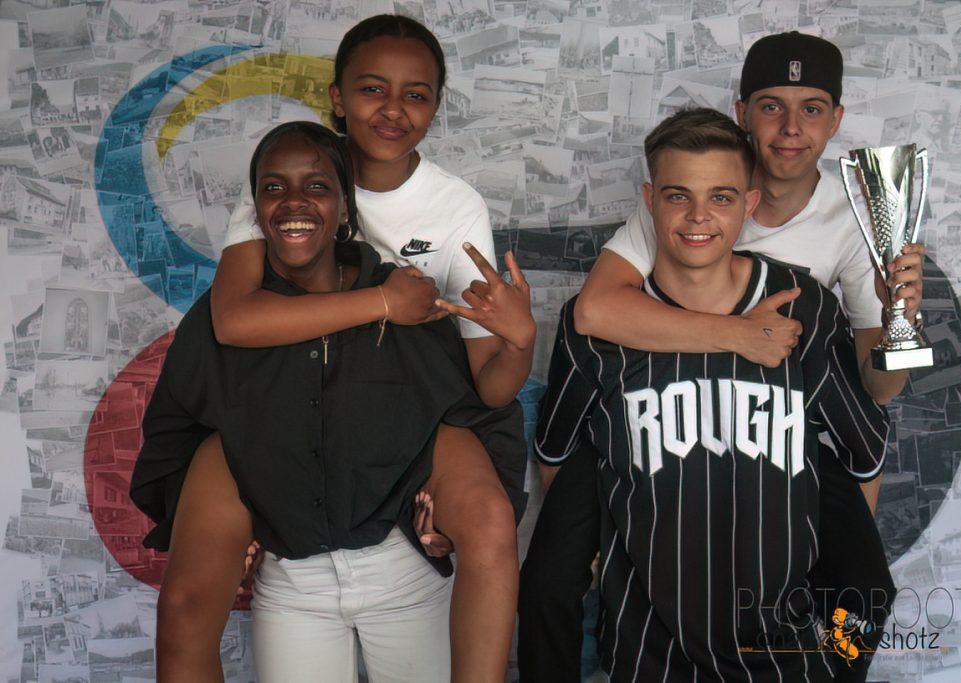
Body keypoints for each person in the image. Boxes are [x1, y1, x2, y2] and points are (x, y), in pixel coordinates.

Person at [146, 16, 534, 683]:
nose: (392, 109)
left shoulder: (454, 204)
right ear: (338, 96)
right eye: (373, 88)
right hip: (281, 400)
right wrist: (384, 302)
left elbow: (483, 385)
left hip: (404, 405)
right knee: (187, 599)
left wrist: (520, 337)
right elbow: (234, 320)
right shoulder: (291, 165)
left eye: (415, 94)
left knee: (489, 521)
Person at [519, 33, 909, 682]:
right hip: (652, 425)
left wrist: (901, 319)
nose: (790, 128)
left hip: (784, 423)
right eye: (772, 107)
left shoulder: (844, 240)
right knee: (548, 580)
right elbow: (592, 319)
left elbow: (875, 406)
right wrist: (735, 336)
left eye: (811, 109)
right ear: (744, 112)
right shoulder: (659, 225)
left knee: (865, 587)